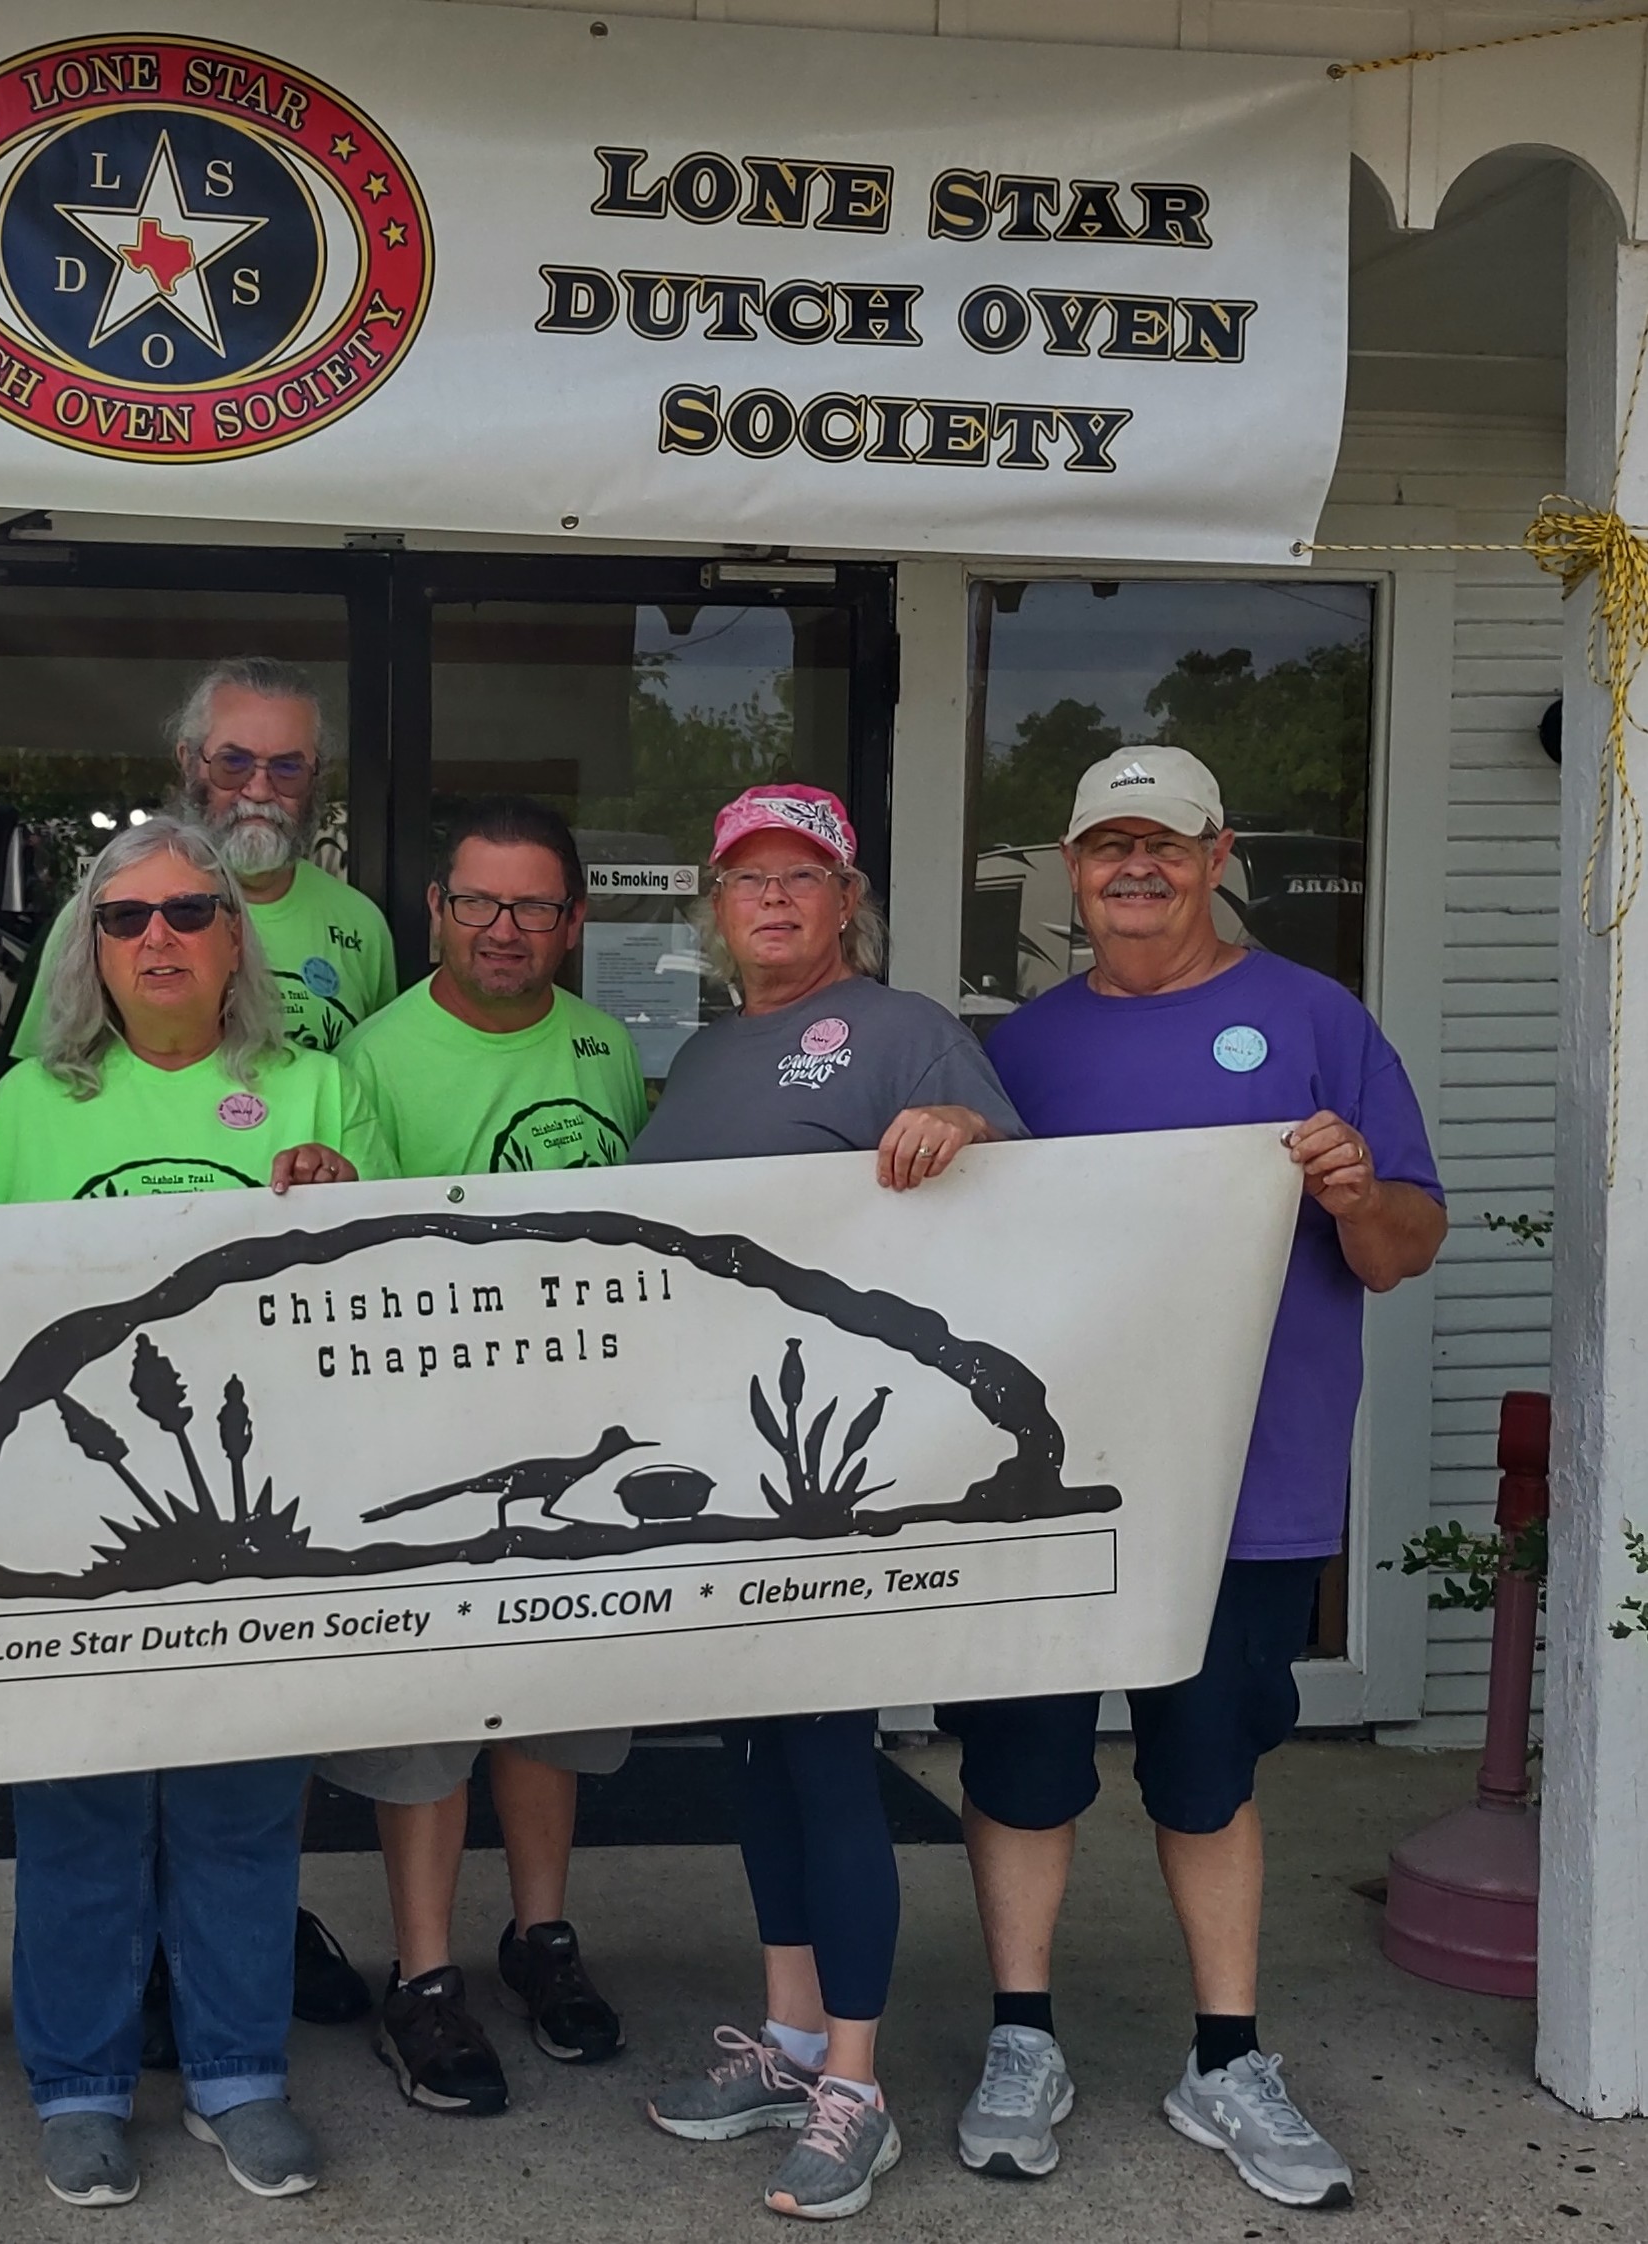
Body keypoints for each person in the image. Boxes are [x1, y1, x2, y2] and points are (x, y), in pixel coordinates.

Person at [940, 746, 1445, 2212]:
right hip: (1049, 1484)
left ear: (1217, 857)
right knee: (1021, 1761)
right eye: (1109, 846)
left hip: (1247, 1476)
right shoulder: (1019, 1051)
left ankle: (1224, 2057)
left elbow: (1404, 1248)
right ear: (1071, 867)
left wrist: (1357, 1193)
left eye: (1164, 844)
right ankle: (1020, 2039)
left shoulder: (1313, 1018)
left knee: (1207, 1769)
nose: (1136, 869)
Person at [0, 817, 391, 2208]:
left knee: (240, 1810)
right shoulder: (27, 1107)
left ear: (233, 938)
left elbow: (390, 1301)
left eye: (190, 913)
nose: (159, 938)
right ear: (87, 944)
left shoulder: (318, 1086)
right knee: (78, 1811)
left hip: (264, 1512)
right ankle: (77, 2087)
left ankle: (238, 2075)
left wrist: (346, 1205)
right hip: (74, 1518)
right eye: (126, 916)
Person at [630, 783, 1018, 2224]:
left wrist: (959, 1125)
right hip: (722, 1457)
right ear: (715, 908)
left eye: (803, 876)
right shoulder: (700, 1053)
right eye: (748, 880)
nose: (774, 900)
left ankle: (856, 2083)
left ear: (847, 899)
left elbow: (1025, 1191)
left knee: (832, 1759)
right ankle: (790, 2039)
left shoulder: (903, 1028)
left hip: (841, 1464)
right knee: (760, 1754)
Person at [315, 797, 646, 2115]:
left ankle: (540, 1936)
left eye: (533, 906)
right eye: (478, 903)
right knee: (431, 1713)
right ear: (435, 911)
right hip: (431, 1444)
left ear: (573, 921)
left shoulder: (605, 1046)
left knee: (553, 1691)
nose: (504, 928)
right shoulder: (370, 1060)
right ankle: (423, 1974)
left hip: (581, 1434)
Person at [13, 656, 397, 1056]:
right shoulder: (114, 913)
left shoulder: (360, 924)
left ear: (316, 776)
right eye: (234, 763)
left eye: (287, 768)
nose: (259, 790)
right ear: (189, 761)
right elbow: (48, 1078)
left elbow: (379, 1074)